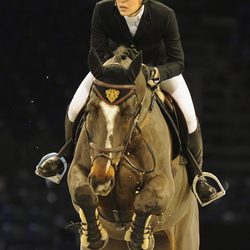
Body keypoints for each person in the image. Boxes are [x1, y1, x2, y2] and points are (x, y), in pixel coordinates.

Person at [36, 0, 219, 204]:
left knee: (189, 117)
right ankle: (64, 158)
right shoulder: (102, 9)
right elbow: (97, 50)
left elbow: (178, 62)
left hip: (155, 69)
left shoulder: (164, 15)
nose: (121, 1)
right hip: (114, 71)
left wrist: (157, 72)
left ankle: (197, 176)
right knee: (75, 107)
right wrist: (115, 69)